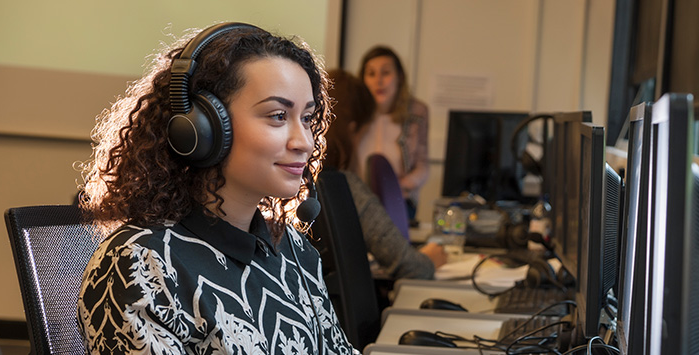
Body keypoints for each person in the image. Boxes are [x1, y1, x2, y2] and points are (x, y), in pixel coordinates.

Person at [76, 23, 358, 354]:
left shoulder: (292, 251)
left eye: (308, 119)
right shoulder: (139, 263)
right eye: (278, 116)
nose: (305, 143)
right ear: (202, 129)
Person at [324, 69, 446, 279]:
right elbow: (412, 268)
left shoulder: (288, 183)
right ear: (352, 128)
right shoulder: (344, 188)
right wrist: (430, 258)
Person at [356, 46, 429, 221]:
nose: (378, 81)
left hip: (399, 201)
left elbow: (422, 165)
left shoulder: (416, 112)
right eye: (371, 74)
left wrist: (400, 185)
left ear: (399, 77)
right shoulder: (355, 113)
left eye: (386, 73)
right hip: (359, 201)